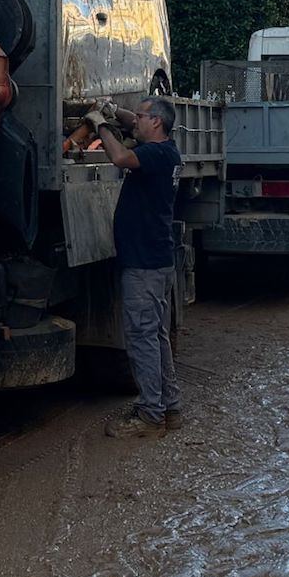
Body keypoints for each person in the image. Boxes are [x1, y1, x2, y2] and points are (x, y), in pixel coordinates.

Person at [92, 97, 183, 438]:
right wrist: (115, 111)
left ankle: (149, 415)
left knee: (142, 337)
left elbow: (119, 156)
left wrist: (101, 123)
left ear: (156, 122)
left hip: (144, 264)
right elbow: (133, 124)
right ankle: (168, 407)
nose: (137, 122)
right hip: (157, 260)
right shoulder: (168, 152)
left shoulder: (154, 155)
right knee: (156, 336)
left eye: (143, 117)